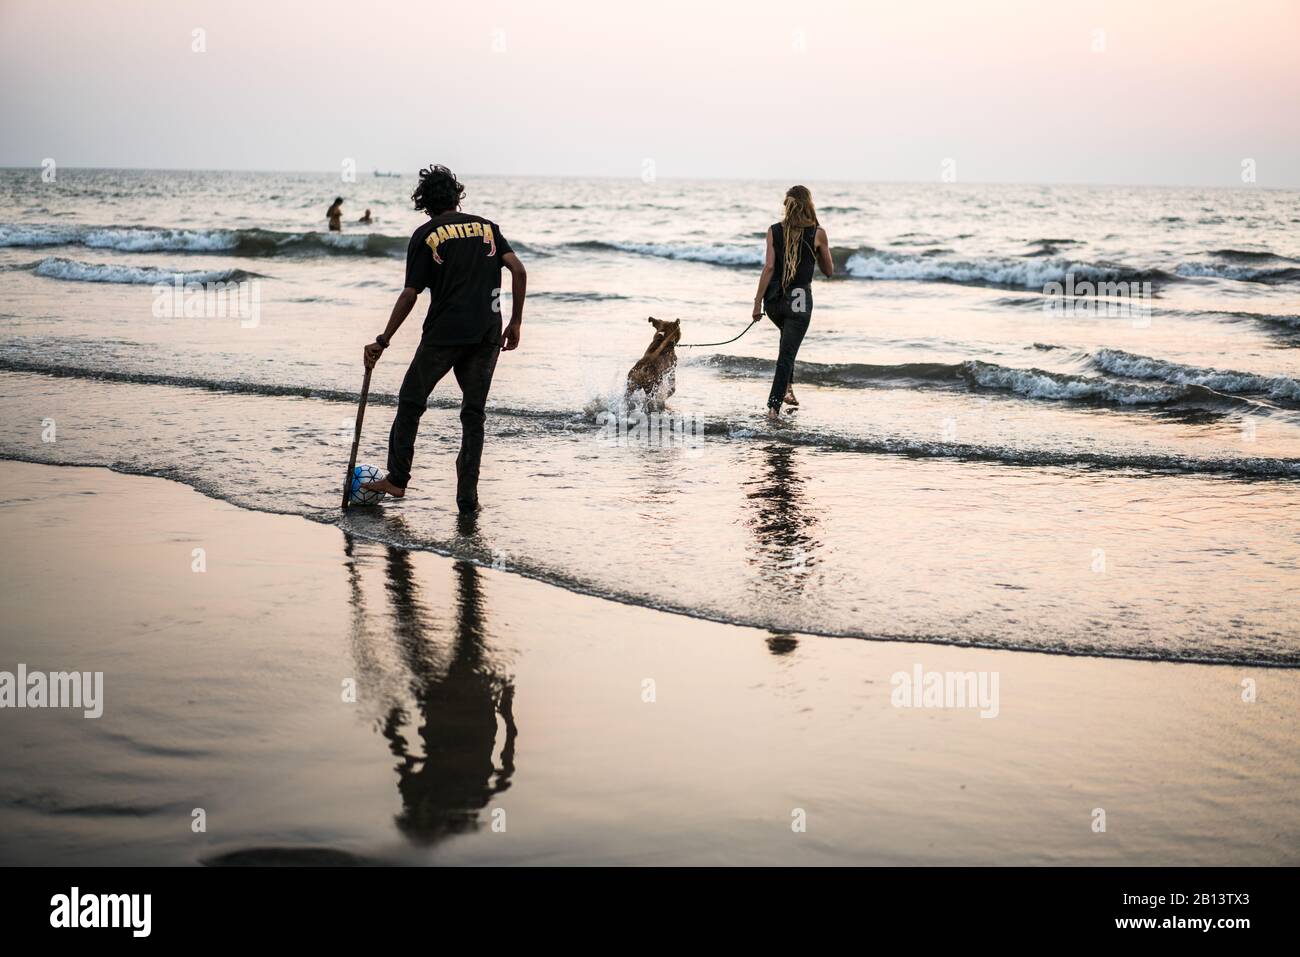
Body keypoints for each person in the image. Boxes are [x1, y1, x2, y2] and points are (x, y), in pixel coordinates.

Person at [361, 165, 527, 513]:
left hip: (445, 334)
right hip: (487, 333)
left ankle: (397, 479)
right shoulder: (488, 228)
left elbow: (410, 294)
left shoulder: (426, 234)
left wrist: (383, 339)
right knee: (473, 414)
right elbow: (518, 269)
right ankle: (468, 499)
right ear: (457, 196)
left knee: (411, 401)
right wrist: (515, 323)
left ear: (425, 202)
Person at [751, 185, 833, 418]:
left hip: (774, 302)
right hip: (799, 304)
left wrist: (757, 303)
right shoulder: (818, 233)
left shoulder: (773, 230)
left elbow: (769, 268)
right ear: (809, 204)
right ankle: (773, 410)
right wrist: (817, 251)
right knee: (787, 354)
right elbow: (828, 271)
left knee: (788, 344)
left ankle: (788, 389)